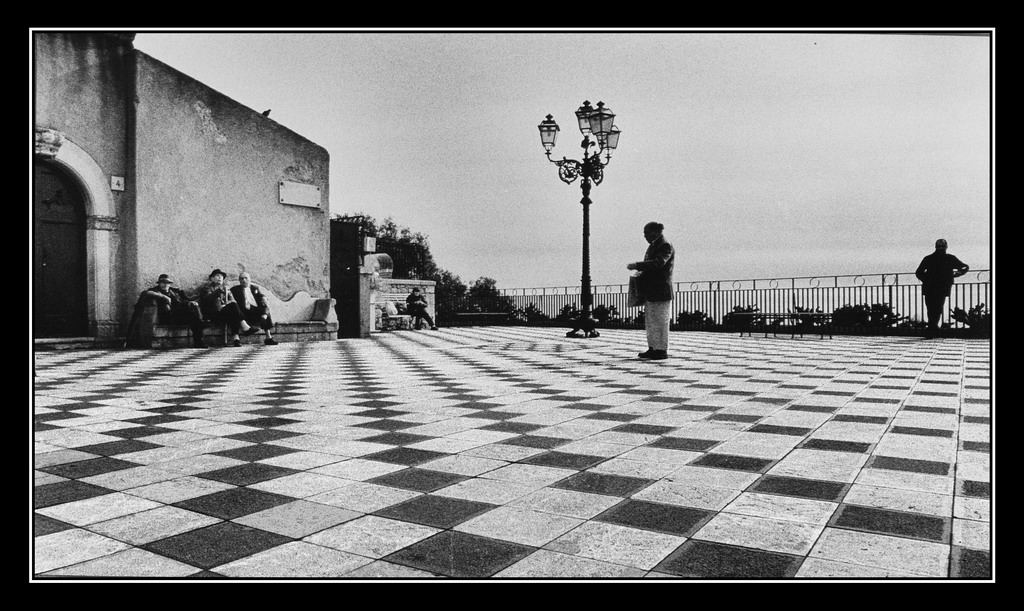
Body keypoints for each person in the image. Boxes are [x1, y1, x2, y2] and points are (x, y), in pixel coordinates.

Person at [626, 221, 675, 360]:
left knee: (660, 320)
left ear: (655, 232)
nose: (644, 236)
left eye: (646, 233)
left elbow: (659, 263)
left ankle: (661, 349)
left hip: (660, 290)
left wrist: (638, 266)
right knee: (651, 320)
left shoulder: (664, 245)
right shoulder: (654, 246)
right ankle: (653, 347)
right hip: (652, 290)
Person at [915, 238, 969, 337]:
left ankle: (932, 328)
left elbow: (965, 267)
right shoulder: (941, 258)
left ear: (945, 247)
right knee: (934, 308)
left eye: (942, 247)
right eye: (939, 247)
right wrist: (927, 280)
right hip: (935, 287)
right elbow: (918, 272)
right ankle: (933, 328)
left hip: (936, 287)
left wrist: (958, 273)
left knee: (935, 308)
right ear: (936, 247)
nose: (940, 248)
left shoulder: (943, 258)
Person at [138, 274, 208, 348]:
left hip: (177, 316)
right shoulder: (155, 290)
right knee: (195, 320)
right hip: (167, 317)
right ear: (159, 283)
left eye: (167, 283)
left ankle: (198, 341)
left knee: (193, 317)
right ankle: (202, 323)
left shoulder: (174, 292)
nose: (165, 285)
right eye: (162, 282)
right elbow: (145, 293)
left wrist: (190, 302)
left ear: (169, 284)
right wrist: (164, 297)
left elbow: (183, 301)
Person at [198, 269, 251, 347]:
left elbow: (233, 300)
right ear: (212, 279)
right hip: (213, 314)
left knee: (233, 309)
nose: (220, 278)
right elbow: (207, 300)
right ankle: (244, 327)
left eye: (221, 277)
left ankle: (236, 339)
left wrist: (226, 305)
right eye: (217, 276)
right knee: (233, 309)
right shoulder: (207, 288)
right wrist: (219, 291)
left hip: (223, 312)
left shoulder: (225, 288)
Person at [229, 271, 279, 345]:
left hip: (254, 312)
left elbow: (260, 295)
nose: (244, 280)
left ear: (250, 279)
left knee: (264, 304)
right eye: (241, 279)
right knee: (234, 312)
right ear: (239, 281)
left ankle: (268, 337)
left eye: (246, 278)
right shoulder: (234, 290)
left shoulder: (255, 288)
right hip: (242, 314)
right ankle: (236, 340)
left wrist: (263, 297)